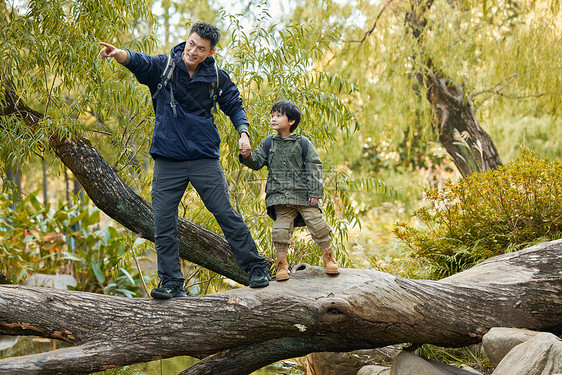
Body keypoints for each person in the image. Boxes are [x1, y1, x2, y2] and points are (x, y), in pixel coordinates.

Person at [99, 22, 270, 298]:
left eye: (201, 48)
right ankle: (172, 282)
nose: (193, 51)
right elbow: (138, 61)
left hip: (204, 158)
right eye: (191, 44)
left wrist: (243, 132)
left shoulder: (216, 76)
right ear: (187, 41)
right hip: (168, 159)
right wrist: (118, 53)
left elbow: (234, 105)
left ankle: (256, 267)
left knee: (225, 212)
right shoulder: (164, 67)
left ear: (210, 52)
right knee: (163, 221)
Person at [239, 100, 339, 281]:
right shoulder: (268, 143)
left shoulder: (303, 143)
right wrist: (246, 155)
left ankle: (328, 257)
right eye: (272, 116)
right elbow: (256, 161)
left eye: (278, 115)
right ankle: (281, 264)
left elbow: (314, 166)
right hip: (280, 197)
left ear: (291, 121)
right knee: (280, 231)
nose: (273, 119)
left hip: (303, 194)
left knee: (318, 225)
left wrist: (315, 192)